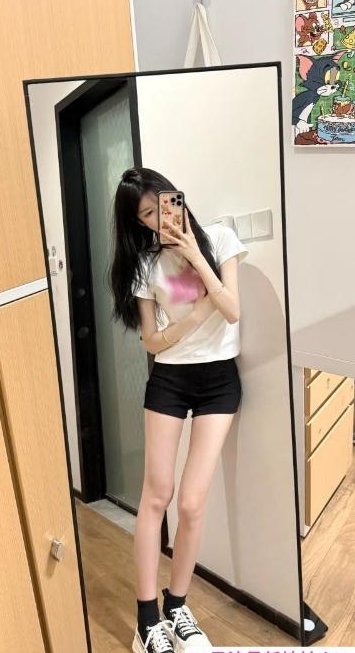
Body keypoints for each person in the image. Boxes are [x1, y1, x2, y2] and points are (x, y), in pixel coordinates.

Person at [109, 167, 248, 653]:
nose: (158, 218)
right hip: (170, 379)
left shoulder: (221, 239)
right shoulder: (146, 266)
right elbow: (151, 341)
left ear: (177, 197)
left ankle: (178, 606)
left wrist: (194, 255)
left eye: (162, 205)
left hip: (219, 381)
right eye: (146, 214)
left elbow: (233, 309)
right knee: (157, 496)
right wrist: (198, 313)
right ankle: (147, 621)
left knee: (191, 503)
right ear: (139, 222)